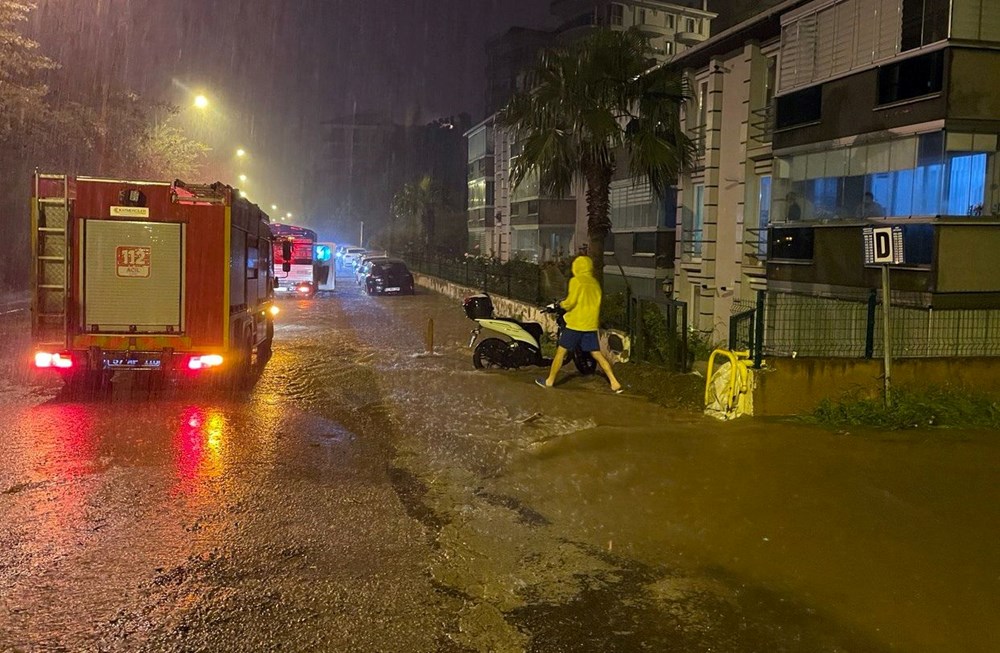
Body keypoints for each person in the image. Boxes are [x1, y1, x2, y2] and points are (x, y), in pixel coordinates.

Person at [536, 255, 623, 393]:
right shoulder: (595, 284)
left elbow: (570, 302)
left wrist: (560, 304)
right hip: (590, 325)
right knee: (597, 354)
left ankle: (549, 381)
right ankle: (614, 382)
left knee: (561, 352)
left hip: (575, 324)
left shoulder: (576, 281)